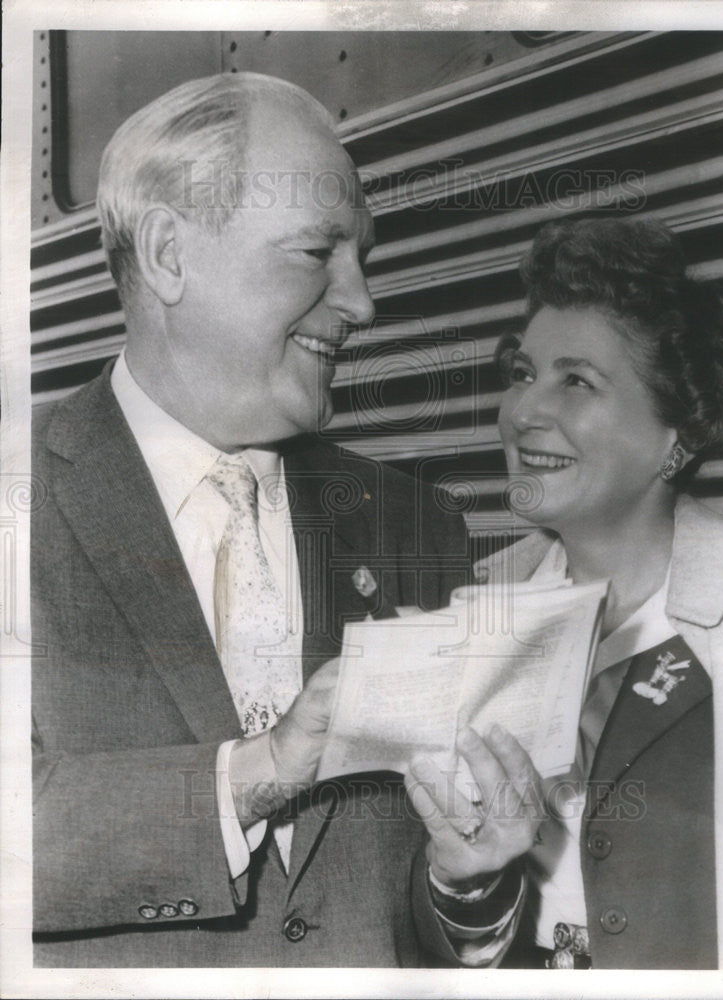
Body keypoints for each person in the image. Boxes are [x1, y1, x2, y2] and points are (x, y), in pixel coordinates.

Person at [30, 72, 541, 968]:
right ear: (167, 255)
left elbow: (411, 925)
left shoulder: (416, 527)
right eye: (316, 253)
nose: (361, 303)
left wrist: (469, 885)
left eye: (363, 261)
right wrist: (261, 770)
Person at [474, 216, 723, 969]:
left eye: (576, 381)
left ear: (679, 434)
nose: (523, 412)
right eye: (522, 373)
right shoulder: (476, 607)